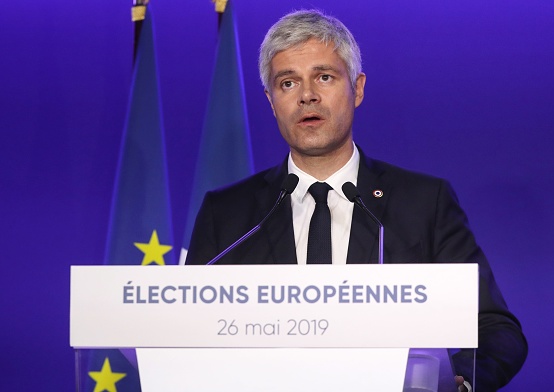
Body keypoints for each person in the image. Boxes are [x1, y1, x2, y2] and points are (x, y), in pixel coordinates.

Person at [186, 9, 527, 391]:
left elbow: (496, 329)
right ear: (270, 100)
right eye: (287, 83)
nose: (307, 96)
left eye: (325, 77)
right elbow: (188, 333)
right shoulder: (228, 214)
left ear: (358, 88)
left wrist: (456, 382)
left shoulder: (422, 203)